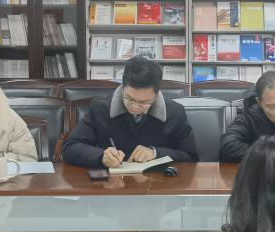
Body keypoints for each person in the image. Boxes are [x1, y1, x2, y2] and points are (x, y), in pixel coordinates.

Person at [61, 56, 198, 168]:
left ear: (156, 94)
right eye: (130, 98)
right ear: (122, 87)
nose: (135, 106)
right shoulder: (100, 108)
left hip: (157, 186)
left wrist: (156, 153)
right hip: (111, 186)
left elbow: (191, 156)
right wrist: (101, 156)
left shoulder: (174, 112)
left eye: (144, 102)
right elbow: (70, 148)